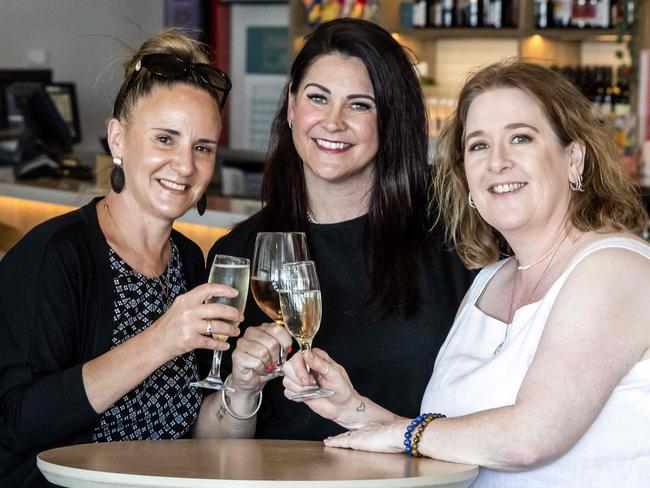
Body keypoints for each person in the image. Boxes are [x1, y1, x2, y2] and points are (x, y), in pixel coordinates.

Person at [283, 59, 650, 486]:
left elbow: (530, 437)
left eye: (521, 138)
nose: (498, 162)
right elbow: (445, 441)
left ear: (574, 158)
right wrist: (352, 408)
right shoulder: (489, 282)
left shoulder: (612, 267)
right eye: (478, 146)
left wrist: (403, 433)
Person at [204, 17, 473, 440]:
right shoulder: (241, 253)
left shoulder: (453, 239)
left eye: (360, 104)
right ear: (292, 107)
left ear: (391, 120)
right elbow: (211, 452)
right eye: (318, 98)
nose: (333, 121)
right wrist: (241, 385)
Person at [0, 30, 243, 487]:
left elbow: (202, 441)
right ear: (118, 139)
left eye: (202, 147)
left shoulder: (190, 262)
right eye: (165, 139)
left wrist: (242, 387)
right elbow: (17, 421)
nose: (186, 166)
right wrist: (160, 340)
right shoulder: (57, 255)